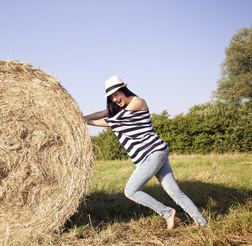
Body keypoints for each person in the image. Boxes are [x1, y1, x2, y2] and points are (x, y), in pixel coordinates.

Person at [84, 75, 208, 230]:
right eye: (111, 97)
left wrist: (88, 122)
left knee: (131, 191)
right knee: (175, 191)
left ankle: (168, 213)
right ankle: (202, 223)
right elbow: (102, 113)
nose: (115, 99)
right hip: (153, 153)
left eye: (117, 94)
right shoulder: (120, 108)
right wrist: (80, 118)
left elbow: (113, 121)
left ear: (123, 90)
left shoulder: (137, 102)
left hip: (153, 152)